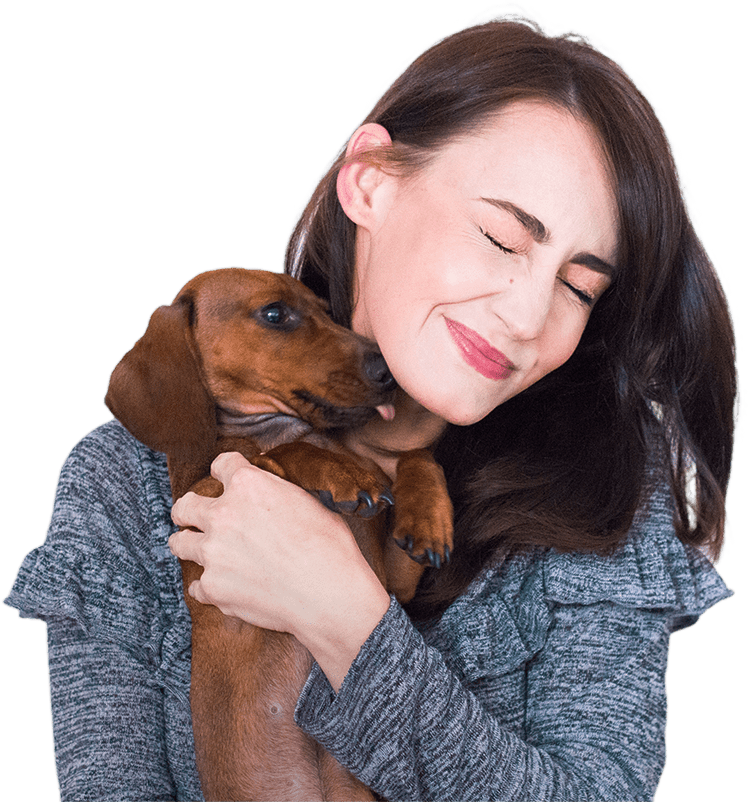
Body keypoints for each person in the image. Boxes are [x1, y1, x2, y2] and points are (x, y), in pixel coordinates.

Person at [3, 10, 737, 802]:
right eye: (500, 237)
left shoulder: (607, 500)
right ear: (371, 182)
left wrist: (344, 615)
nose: (528, 317)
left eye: (578, 286)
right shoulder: (124, 485)